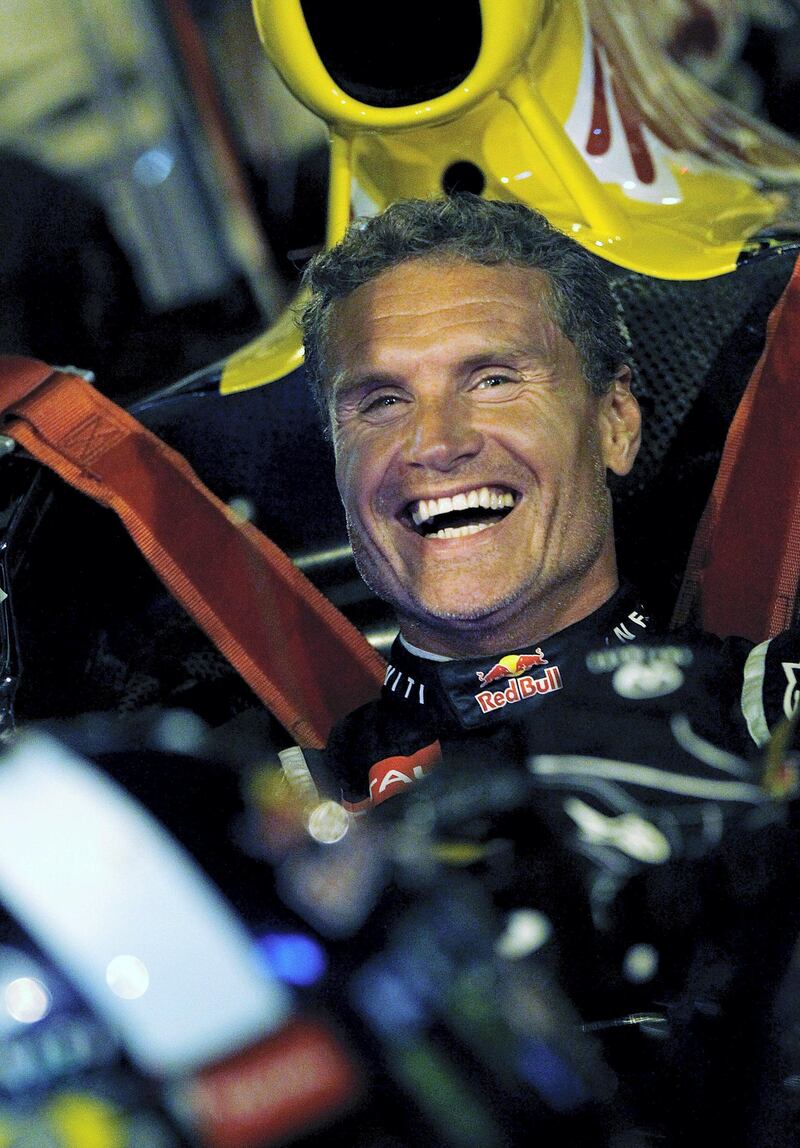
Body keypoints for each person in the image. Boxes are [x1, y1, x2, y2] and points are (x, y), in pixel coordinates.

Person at [294, 194, 798, 816]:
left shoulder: (770, 716)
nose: (437, 445)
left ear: (615, 422)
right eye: (383, 402)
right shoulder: (278, 818)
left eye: (494, 380)